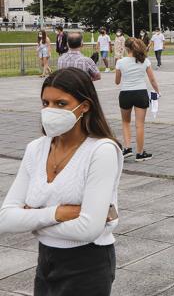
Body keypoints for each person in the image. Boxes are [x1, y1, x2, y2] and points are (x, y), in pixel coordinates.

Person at [0, 67, 123, 295]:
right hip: (46, 260)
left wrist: (31, 220)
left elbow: (88, 229)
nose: (49, 110)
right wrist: (56, 214)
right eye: (45, 103)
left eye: (61, 104)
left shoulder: (101, 151)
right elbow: (5, 219)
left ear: (84, 106)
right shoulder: (36, 149)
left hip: (88, 264)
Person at [115, 38, 160, 161]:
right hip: (140, 93)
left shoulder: (120, 62)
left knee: (126, 122)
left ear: (126, 48)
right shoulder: (145, 61)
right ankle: (140, 153)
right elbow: (152, 80)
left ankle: (127, 148)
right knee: (139, 125)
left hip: (125, 94)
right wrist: (157, 91)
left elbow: (117, 82)